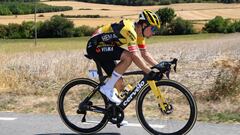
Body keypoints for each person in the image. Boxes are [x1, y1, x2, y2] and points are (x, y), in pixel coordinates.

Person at [86, 9, 161, 105]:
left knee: (119, 83)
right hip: (95, 45)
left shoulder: (139, 35)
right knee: (128, 57)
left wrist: (159, 66)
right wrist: (149, 71)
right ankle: (107, 88)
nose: (154, 33)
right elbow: (134, 55)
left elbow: (144, 53)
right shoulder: (129, 30)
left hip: (104, 48)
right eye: (153, 29)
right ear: (144, 25)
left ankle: (113, 115)